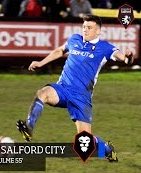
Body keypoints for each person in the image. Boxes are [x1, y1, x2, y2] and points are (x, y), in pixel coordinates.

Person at [16, 15, 134, 162]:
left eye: (89, 27)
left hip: (81, 98)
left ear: (98, 31)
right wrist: (41, 63)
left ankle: (108, 150)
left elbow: (123, 57)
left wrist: (128, 57)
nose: (85, 30)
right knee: (43, 93)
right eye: (84, 26)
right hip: (63, 89)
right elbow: (60, 50)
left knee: (85, 142)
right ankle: (29, 127)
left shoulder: (105, 47)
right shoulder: (75, 39)